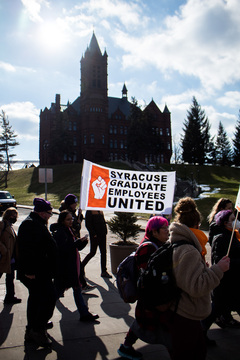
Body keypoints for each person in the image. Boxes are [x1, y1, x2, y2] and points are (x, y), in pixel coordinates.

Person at [167, 197, 230, 360]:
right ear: (196, 225)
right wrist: (218, 269)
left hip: (183, 314)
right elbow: (196, 287)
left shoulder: (177, 243)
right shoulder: (189, 251)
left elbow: (186, 279)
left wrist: (204, 270)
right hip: (186, 314)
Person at [118, 216, 170, 360]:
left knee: (143, 323)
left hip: (151, 295)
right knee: (154, 323)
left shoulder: (157, 244)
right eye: (164, 228)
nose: (168, 231)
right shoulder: (147, 248)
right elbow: (148, 275)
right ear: (154, 232)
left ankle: (126, 346)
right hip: (151, 295)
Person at [17, 198, 57, 347]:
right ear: (41, 213)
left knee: (38, 299)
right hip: (34, 272)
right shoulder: (30, 224)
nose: (50, 215)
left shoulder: (37, 222)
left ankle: (33, 328)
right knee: (47, 298)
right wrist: (30, 271)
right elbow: (27, 250)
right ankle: (37, 330)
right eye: (49, 213)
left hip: (40, 271)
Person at [50, 210, 99, 322]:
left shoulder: (68, 230)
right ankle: (41, 317)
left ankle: (84, 314)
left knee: (77, 290)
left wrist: (83, 242)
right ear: (62, 220)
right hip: (65, 269)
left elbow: (75, 247)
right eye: (68, 219)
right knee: (55, 294)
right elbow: (64, 249)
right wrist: (77, 243)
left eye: (71, 219)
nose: (71, 221)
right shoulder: (60, 232)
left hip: (72, 267)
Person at [209, 210, 240, 328]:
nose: (236, 222)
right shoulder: (222, 238)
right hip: (225, 282)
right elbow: (219, 259)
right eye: (233, 220)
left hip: (233, 281)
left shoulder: (233, 235)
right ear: (226, 223)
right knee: (216, 308)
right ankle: (202, 330)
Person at [59, 194, 94, 292]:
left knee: (77, 265)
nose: (76, 204)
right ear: (70, 204)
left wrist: (79, 215)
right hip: (70, 243)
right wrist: (78, 222)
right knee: (74, 266)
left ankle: (81, 285)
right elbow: (74, 227)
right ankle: (79, 286)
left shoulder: (72, 212)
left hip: (74, 241)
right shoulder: (67, 213)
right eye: (74, 203)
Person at [0, 207, 21, 304]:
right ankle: (10, 296)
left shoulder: (10, 226)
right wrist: (3, 250)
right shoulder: (2, 225)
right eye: (13, 216)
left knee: (10, 278)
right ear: (8, 216)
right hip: (3, 257)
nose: (15, 218)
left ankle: (10, 296)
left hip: (10, 258)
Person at [82, 210, 112, 278]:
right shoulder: (89, 211)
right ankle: (81, 266)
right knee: (92, 252)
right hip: (95, 236)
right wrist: (94, 234)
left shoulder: (100, 210)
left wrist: (105, 231)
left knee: (104, 252)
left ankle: (104, 271)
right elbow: (88, 224)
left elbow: (103, 221)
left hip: (102, 234)